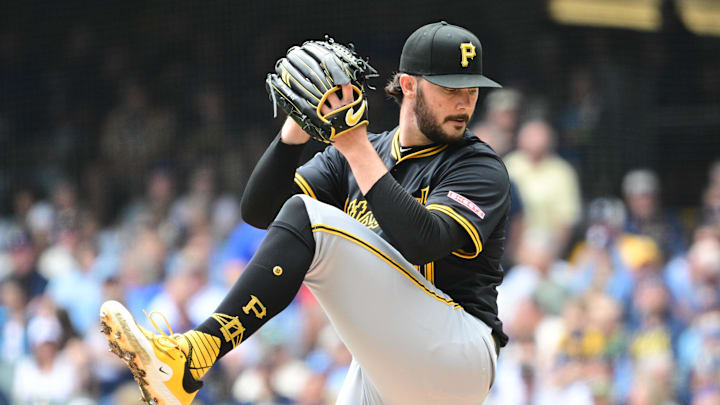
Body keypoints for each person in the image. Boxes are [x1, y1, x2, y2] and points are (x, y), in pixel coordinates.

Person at [99, 21, 510, 405]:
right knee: (302, 215)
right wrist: (294, 130)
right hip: (390, 365)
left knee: (311, 218)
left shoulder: (477, 165)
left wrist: (355, 145)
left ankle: (195, 354)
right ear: (409, 86)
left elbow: (424, 243)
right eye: (450, 89)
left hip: (459, 352)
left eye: (471, 90)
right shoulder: (358, 153)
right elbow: (261, 211)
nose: (464, 102)